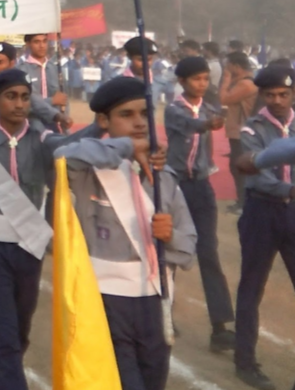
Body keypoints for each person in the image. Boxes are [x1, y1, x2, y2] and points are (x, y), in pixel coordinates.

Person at [0, 68, 95, 390]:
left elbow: (71, 144)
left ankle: (9, 370)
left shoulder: (41, 137)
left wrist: (99, 125)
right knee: (4, 332)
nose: (20, 104)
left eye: (25, 97)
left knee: (21, 327)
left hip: (29, 246)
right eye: (11, 97)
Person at [54, 77, 197, 390]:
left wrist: (169, 236)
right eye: (126, 114)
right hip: (104, 300)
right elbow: (63, 155)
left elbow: (188, 249)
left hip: (156, 301)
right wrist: (129, 147)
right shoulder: (88, 171)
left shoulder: (164, 176)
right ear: (103, 121)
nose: (139, 123)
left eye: (145, 114)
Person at [234, 65, 295, 390]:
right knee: (252, 287)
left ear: (294, 94)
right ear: (262, 96)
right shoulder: (251, 128)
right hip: (261, 212)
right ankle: (245, 362)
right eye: (270, 95)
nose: (277, 100)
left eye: (284, 94)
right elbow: (256, 175)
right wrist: (290, 190)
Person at [165, 56, 235, 352]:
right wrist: (207, 123)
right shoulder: (173, 109)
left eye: (205, 79)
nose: (202, 84)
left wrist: (211, 120)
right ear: (182, 81)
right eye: (197, 79)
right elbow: (190, 126)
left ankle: (220, 327)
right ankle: (163, 315)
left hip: (201, 186)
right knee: (169, 252)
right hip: (175, 186)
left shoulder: (208, 108)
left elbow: (207, 126)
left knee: (208, 253)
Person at [219, 52, 258, 213]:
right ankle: (242, 200)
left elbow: (223, 99)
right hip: (239, 130)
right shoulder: (246, 81)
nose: (226, 68)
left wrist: (226, 78)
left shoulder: (246, 84)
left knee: (239, 167)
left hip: (241, 131)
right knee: (237, 166)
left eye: (228, 65)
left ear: (236, 66)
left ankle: (243, 202)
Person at [18, 34, 67, 108]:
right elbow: (25, 102)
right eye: (36, 42)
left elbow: (64, 99)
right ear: (28, 44)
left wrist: (63, 114)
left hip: (56, 115)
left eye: (44, 41)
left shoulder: (56, 69)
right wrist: (52, 101)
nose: (42, 46)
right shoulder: (21, 71)